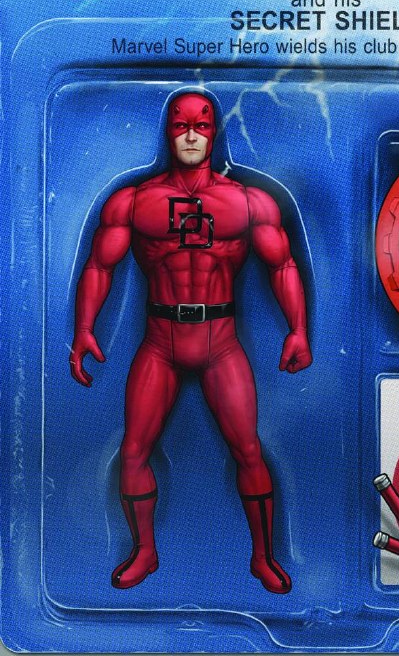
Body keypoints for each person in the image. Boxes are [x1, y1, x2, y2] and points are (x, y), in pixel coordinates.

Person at [70, 92, 312, 593]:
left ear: (214, 131)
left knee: (248, 449)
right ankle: (144, 552)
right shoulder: (134, 201)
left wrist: (298, 330)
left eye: (201, 124)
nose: (191, 134)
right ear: (168, 131)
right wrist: (84, 329)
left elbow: (283, 265)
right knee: (133, 451)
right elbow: (99, 266)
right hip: (160, 341)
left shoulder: (248, 202)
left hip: (221, 341)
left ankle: (264, 557)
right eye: (181, 124)